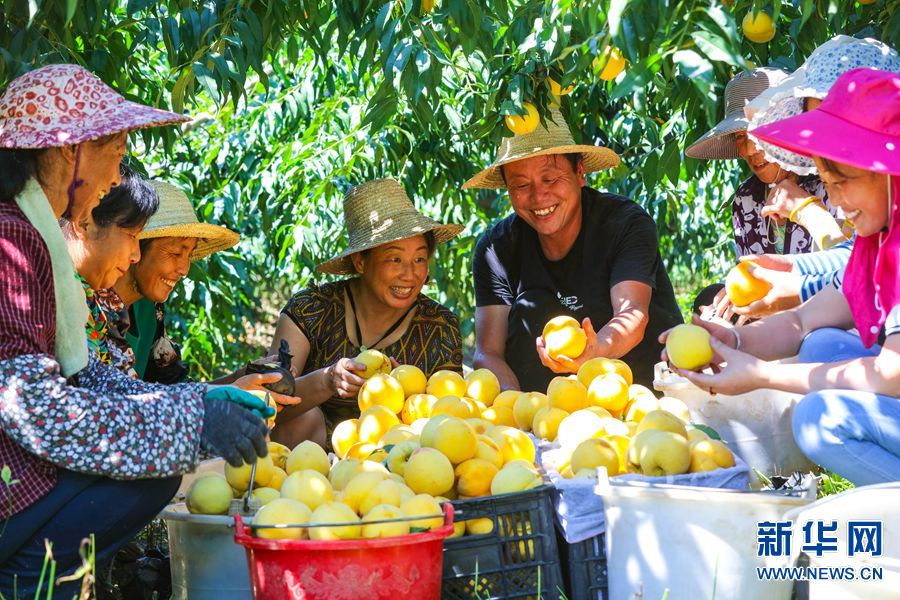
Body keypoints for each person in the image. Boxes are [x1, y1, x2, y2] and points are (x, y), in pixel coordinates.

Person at [0, 64, 271, 595]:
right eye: (117, 153)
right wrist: (190, 420)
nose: (116, 177)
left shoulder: (32, 233)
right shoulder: (13, 239)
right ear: (65, 151)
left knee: (155, 465)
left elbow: (84, 377)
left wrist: (201, 402)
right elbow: (31, 406)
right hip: (13, 490)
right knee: (148, 472)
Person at [663, 68, 899, 486]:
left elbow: (891, 373)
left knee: (820, 419)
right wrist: (730, 341)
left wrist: (761, 375)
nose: (838, 203)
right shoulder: (877, 242)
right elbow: (803, 321)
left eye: (843, 183)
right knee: (823, 341)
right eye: (829, 184)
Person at [467, 108, 683, 392]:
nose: (538, 196)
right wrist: (516, 410)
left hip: (642, 405)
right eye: (521, 184)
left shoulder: (624, 224)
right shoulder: (496, 250)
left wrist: (594, 352)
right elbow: (488, 354)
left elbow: (633, 317)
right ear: (508, 189)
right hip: (546, 420)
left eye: (551, 179)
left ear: (580, 173)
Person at [269, 179, 464, 448]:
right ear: (361, 261)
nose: (410, 274)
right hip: (303, 466)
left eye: (419, 259)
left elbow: (452, 420)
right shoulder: (311, 310)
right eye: (395, 259)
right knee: (305, 418)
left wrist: (407, 394)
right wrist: (326, 381)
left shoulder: (439, 327)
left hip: (401, 465)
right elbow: (266, 404)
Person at [97, 179, 239, 383]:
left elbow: (173, 384)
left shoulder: (149, 308)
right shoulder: (94, 308)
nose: (184, 269)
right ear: (136, 247)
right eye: (174, 253)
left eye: (189, 255)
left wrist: (240, 379)